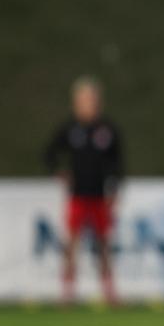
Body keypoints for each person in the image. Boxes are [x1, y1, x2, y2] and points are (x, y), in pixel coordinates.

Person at [44, 77, 123, 305]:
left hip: (100, 195)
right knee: (72, 243)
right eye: (84, 99)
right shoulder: (70, 129)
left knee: (104, 245)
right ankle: (67, 293)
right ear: (76, 102)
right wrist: (58, 171)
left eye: (92, 99)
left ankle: (110, 292)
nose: (89, 103)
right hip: (77, 194)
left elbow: (117, 163)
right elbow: (48, 153)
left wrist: (114, 189)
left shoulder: (107, 129)